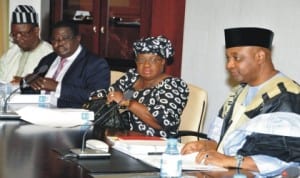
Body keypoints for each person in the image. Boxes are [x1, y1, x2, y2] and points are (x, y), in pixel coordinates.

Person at [181, 27, 300, 176]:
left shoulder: (288, 96)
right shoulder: (239, 91)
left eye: (236, 58)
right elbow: (220, 140)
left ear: (260, 56)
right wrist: (204, 145)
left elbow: (283, 158)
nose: (229, 65)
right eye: (227, 58)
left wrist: (231, 160)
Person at [90, 35, 189, 138]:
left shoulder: (174, 85)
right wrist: (105, 98)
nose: (146, 65)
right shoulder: (132, 77)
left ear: (163, 61)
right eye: (141, 60)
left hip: (157, 145)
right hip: (122, 139)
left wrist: (128, 103)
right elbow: (107, 93)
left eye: (153, 60)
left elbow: (162, 123)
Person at [21, 20, 110, 108]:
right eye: (54, 40)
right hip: (38, 111)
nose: (59, 43)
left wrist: (57, 87)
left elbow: (98, 98)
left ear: (78, 38)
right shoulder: (48, 59)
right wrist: (28, 80)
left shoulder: (95, 64)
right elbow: (31, 88)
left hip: (72, 117)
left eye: (65, 38)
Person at [0, 5, 53, 84]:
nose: (18, 39)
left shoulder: (50, 54)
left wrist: (25, 82)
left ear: (36, 31)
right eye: (14, 34)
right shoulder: (10, 53)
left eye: (23, 34)